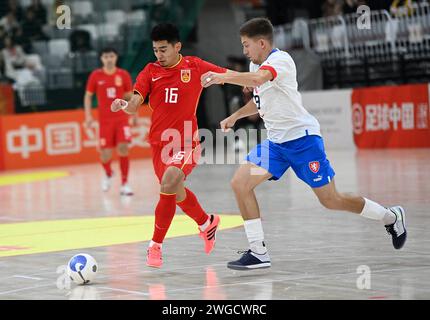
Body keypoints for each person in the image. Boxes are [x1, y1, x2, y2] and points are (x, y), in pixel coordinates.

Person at [201, 17, 407, 270]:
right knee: (240, 183)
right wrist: (234, 116)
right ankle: (258, 252)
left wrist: (222, 76)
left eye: (246, 45)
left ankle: (390, 216)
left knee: (331, 200)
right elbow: (260, 100)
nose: (244, 51)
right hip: (275, 147)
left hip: (303, 142)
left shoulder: (280, 61)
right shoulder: (255, 68)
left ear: (261, 43)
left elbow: (258, 80)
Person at [111, 23, 227, 268]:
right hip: (158, 143)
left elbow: (225, 74)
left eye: (163, 50)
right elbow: (135, 102)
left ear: (177, 47)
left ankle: (155, 245)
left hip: (186, 139)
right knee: (175, 193)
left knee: (169, 181)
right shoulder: (150, 71)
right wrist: (125, 105)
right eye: (155, 50)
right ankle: (207, 223)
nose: (159, 55)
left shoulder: (194, 66)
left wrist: (251, 82)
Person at [84, 47, 135, 196]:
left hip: (121, 119)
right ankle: (108, 172)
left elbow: (129, 96)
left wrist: (135, 113)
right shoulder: (96, 75)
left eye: (111, 56)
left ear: (116, 57)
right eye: (105, 56)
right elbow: (88, 96)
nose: (109, 59)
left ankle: (125, 183)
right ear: (101, 59)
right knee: (105, 153)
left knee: (123, 148)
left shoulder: (123, 75)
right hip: (105, 121)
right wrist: (88, 116)